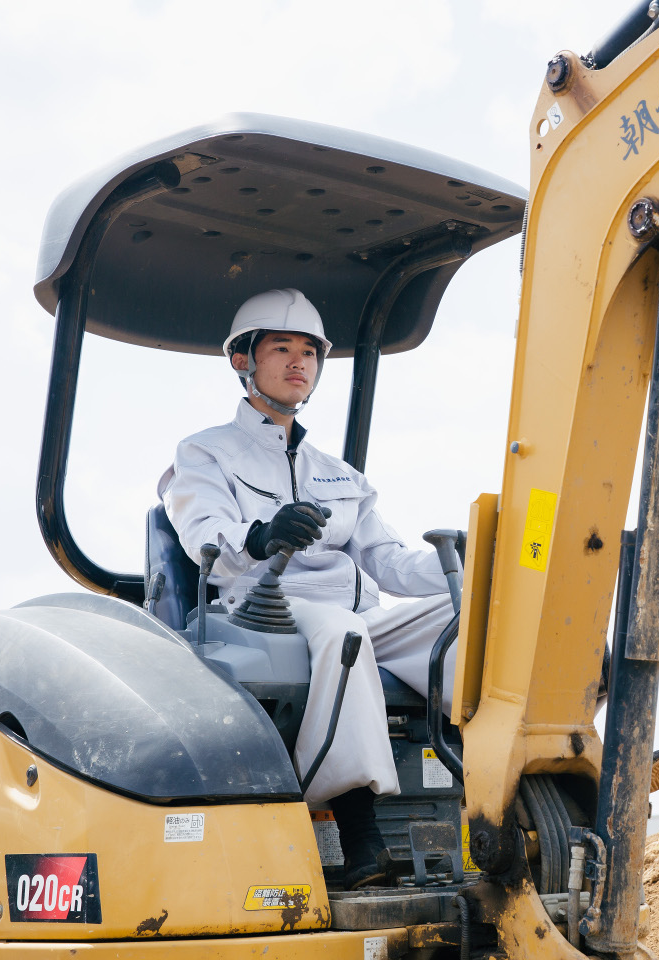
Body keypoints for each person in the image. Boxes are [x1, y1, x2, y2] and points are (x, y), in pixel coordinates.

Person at [158, 287, 455, 888]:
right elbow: (203, 534)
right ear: (242, 359)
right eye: (282, 348)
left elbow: (389, 562)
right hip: (262, 613)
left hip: (353, 614)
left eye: (310, 352)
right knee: (345, 635)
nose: (300, 362)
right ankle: (361, 835)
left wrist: (469, 566)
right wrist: (261, 535)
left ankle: (529, 769)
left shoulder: (338, 475)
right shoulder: (205, 453)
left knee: (471, 615)